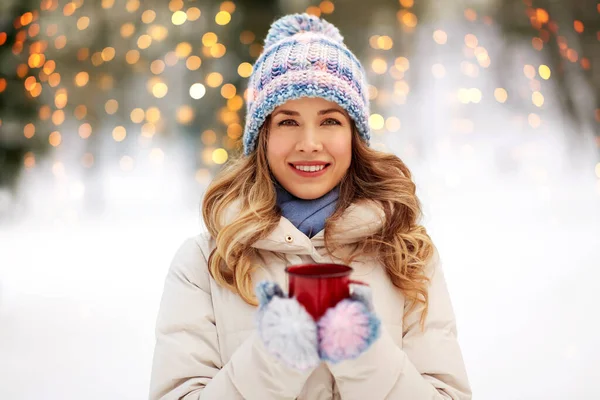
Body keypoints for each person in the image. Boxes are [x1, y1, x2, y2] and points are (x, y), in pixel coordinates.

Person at [149, 13, 472, 400]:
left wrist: (366, 356)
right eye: (287, 122)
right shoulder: (207, 262)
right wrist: (272, 358)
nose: (309, 142)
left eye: (330, 120)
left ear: (354, 136)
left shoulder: (407, 254)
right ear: (262, 137)